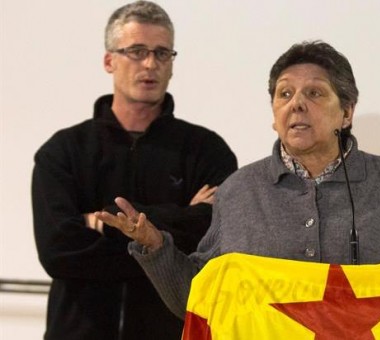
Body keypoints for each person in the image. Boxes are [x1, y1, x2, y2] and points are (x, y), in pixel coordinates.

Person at [96, 40, 380, 320]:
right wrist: (156, 249)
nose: (297, 104)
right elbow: (197, 299)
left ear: (347, 111)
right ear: (273, 113)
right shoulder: (238, 192)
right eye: (285, 94)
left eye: (315, 93)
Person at [31, 2, 238, 339]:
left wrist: (110, 220)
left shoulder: (207, 150)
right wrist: (172, 233)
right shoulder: (63, 151)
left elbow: (212, 248)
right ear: (109, 60)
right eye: (137, 51)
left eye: (162, 53)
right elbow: (59, 252)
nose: (150, 64)